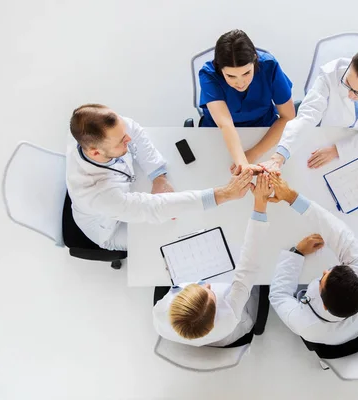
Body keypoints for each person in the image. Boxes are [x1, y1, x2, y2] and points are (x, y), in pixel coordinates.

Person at [66, 104, 254, 251]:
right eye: (121, 141)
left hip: (127, 196)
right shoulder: (95, 192)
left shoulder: (104, 132)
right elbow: (154, 208)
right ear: (96, 153)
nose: (128, 139)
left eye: (124, 134)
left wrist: (158, 176)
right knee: (177, 235)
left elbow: (136, 131)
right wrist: (225, 194)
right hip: (111, 229)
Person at [152, 174, 273, 347]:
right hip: (228, 333)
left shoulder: (160, 313)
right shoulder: (229, 314)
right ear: (216, 311)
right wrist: (260, 203)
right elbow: (249, 266)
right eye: (210, 293)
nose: (206, 284)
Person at [267, 173, 358, 345]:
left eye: (322, 279)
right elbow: (339, 232)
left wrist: (296, 253)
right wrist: (292, 197)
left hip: (338, 336)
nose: (325, 271)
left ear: (324, 305)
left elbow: (278, 295)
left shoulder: (306, 326)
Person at [260, 45, 358, 172]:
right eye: (347, 83)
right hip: (326, 136)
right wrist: (280, 155)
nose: (349, 94)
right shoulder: (331, 73)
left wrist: (338, 150)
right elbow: (308, 115)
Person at [199, 29, 296, 173]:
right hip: (218, 134)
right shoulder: (209, 74)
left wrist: (253, 154)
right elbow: (225, 124)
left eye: (246, 73)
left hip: (264, 130)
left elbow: (288, 116)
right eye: (231, 76)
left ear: (255, 60)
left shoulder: (269, 66)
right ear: (219, 68)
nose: (240, 83)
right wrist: (243, 164)